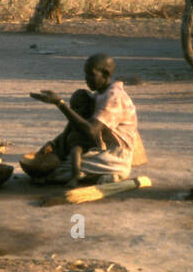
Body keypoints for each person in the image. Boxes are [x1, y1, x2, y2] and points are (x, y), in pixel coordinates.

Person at [30, 53, 144, 185]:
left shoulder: (113, 98)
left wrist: (60, 104)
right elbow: (76, 125)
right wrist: (54, 143)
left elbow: (90, 130)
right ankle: (94, 174)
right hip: (100, 150)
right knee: (54, 161)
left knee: (56, 172)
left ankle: (110, 174)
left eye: (91, 74)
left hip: (115, 156)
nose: (86, 79)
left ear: (106, 74)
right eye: (86, 75)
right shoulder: (99, 95)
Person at [31, 89, 98, 187]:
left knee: (76, 151)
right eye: (71, 107)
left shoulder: (86, 122)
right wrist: (52, 143)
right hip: (68, 147)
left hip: (81, 147)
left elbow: (89, 136)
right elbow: (63, 135)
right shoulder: (73, 121)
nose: (73, 110)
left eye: (78, 107)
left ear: (89, 109)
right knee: (46, 156)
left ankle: (75, 176)